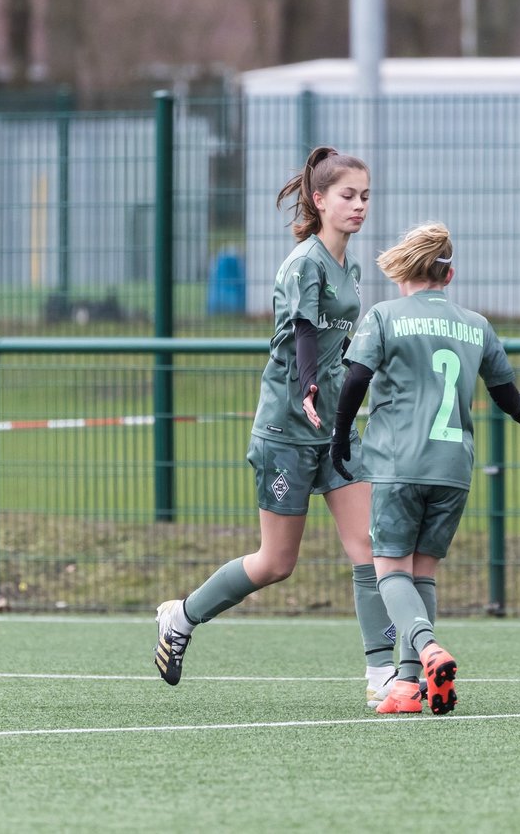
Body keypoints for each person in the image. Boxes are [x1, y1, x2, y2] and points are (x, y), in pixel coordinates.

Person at [154, 147, 399, 705]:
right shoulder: (302, 264)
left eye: (365, 196)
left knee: (369, 546)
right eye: (348, 195)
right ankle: (181, 617)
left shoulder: (350, 267)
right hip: (286, 430)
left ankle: (381, 675)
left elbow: (338, 343)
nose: (359, 205)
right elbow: (305, 334)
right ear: (319, 200)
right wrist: (310, 386)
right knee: (275, 564)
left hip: (335, 430)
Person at [328, 222, 520, 715]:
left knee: (389, 572)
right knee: (422, 575)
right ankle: (407, 688)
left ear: (404, 273)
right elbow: (505, 391)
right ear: (450, 275)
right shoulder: (476, 324)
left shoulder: (384, 316)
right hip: (453, 468)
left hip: (399, 463)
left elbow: (356, 376)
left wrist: (340, 434)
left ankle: (426, 650)